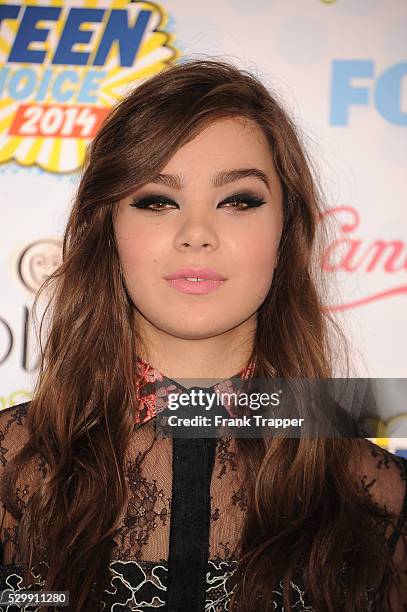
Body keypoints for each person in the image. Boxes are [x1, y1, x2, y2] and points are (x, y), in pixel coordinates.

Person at [0, 57, 406, 612]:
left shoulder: (379, 498)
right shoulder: (11, 471)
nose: (196, 234)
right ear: (108, 229)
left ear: (287, 232)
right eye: (157, 201)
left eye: (238, 200)